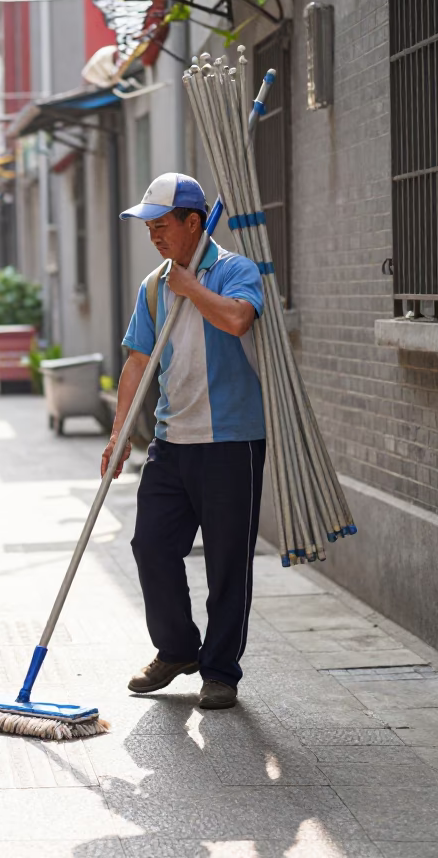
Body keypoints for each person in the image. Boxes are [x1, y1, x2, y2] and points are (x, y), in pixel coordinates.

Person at [102, 173, 265, 711]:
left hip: (231, 441)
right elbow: (137, 361)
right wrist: (121, 432)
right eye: (148, 226)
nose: (154, 235)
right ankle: (176, 649)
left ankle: (220, 672)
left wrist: (193, 287)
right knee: (150, 545)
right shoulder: (153, 287)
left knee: (226, 562)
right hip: (171, 441)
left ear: (195, 222)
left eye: (162, 224)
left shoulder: (235, 270)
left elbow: (239, 320)